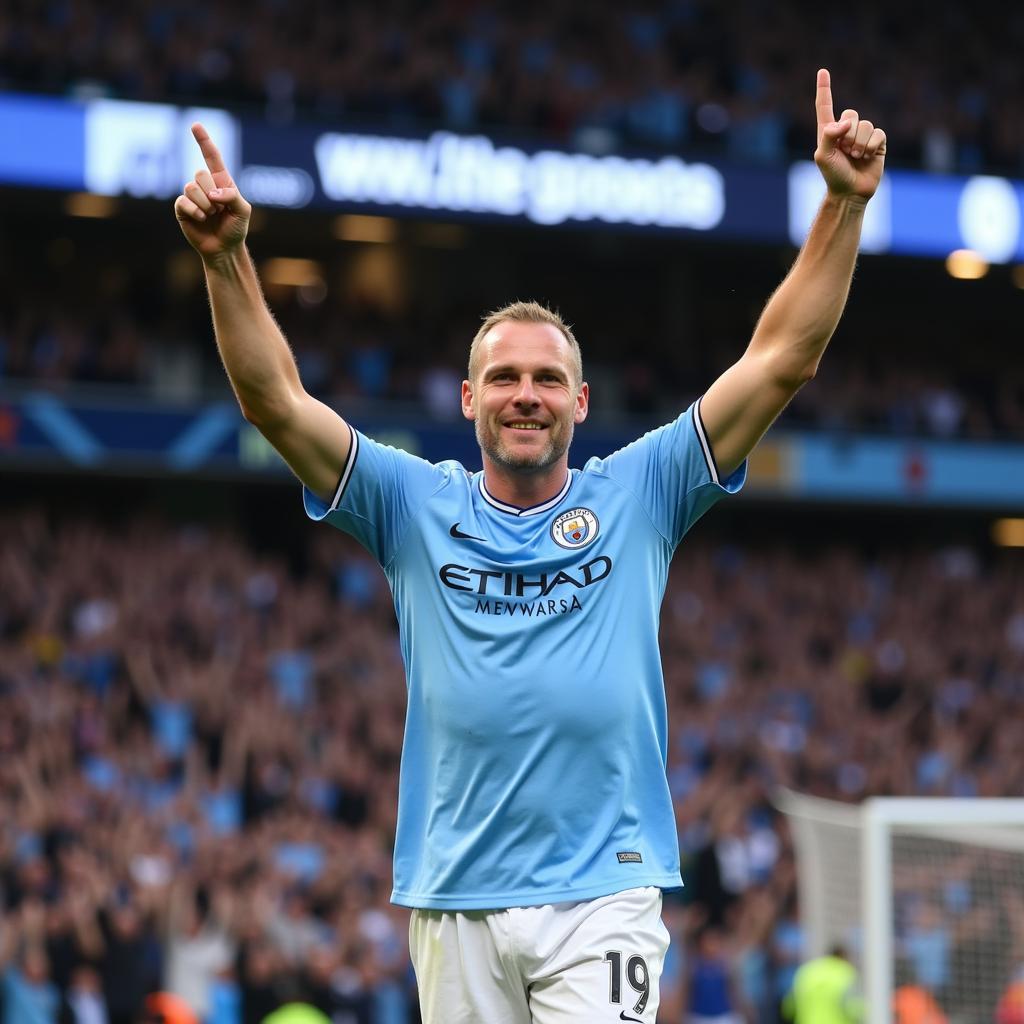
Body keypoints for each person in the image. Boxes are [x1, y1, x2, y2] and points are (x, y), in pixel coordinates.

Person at [174, 69, 886, 1024]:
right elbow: (275, 402)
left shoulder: (642, 489)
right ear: (468, 399)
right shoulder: (408, 501)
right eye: (502, 377)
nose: (525, 394)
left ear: (580, 404)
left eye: (548, 379)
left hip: (603, 893)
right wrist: (227, 261)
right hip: (455, 895)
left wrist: (840, 205)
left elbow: (780, 360)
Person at [782, 945, 864, 1024]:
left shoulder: (806, 972)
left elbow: (789, 1008)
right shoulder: (845, 973)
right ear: (843, 957)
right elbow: (852, 1008)